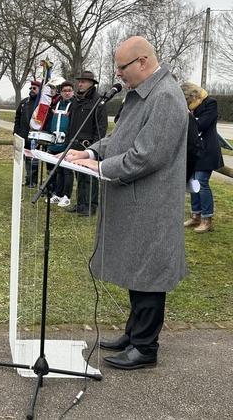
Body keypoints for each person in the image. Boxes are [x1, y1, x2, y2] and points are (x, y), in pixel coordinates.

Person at [66, 36, 188, 370]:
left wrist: (101, 167)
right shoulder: (140, 96)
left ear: (143, 62)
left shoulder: (165, 97)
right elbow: (120, 139)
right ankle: (134, 334)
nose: (118, 74)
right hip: (137, 202)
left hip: (153, 205)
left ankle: (146, 347)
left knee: (149, 275)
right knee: (138, 270)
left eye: (122, 67)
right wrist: (90, 152)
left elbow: (147, 156)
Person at [180, 82, 224, 233]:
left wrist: (187, 116)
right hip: (194, 151)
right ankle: (196, 216)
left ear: (192, 95)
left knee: (202, 182)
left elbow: (202, 124)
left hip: (207, 151)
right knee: (193, 183)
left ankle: (207, 219)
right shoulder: (190, 109)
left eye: (186, 100)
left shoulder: (210, 103)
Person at [66, 70, 108, 216]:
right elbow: (72, 123)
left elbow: (101, 128)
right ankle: (80, 203)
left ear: (91, 84)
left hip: (89, 145)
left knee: (90, 177)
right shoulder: (76, 101)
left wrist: (95, 149)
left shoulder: (99, 101)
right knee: (79, 176)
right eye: (79, 81)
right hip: (75, 144)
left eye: (83, 81)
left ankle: (91, 205)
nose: (80, 84)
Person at [45, 80, 75, 207]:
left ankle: (66, 196)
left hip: (67, 143)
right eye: (64, 91)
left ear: (73, 92)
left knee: (67, 171)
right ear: (61, 92)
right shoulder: (56, 104)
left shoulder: (74, 106)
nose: (67, 93)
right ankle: (57, 193)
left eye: (69, 91)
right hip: (55, 142)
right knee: (57, 170)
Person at [14, 80, 41, 187]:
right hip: (23, 135)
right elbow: (17, 118)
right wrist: (16, 132)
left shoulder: (41, 104)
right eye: (31, 88)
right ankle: (28, 179)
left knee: (33, 159)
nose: (32, 90)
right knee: (26, 159)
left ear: (39, 90)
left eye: (34, 88)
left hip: (35, 136)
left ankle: (33, 181)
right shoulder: (24, 102)